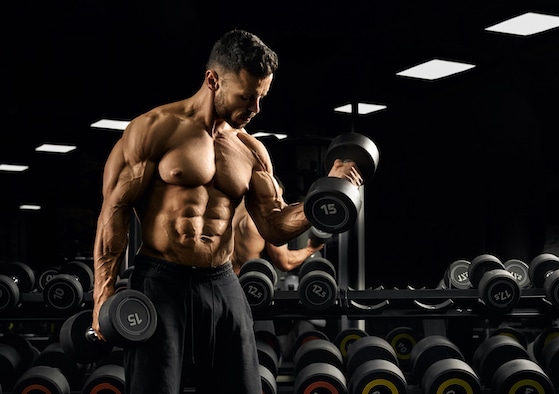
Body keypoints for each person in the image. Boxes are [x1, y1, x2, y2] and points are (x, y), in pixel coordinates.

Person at [91, 29, 363, 394]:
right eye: (247, 97)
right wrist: (103, 295)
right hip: (161, 281)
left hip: (222, 280)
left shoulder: (251, 151)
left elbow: (274, 225)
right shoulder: (154, 130)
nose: (255, 109)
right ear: (213, 80)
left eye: (261, 98)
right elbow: (114, 213)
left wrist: (325, 193)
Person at [231, 178, 324, 275]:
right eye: (276, 198)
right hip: (246, 283)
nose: (280, 203)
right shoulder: (263, 220)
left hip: (221, 280)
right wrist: (311, 249)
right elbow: (286, 262)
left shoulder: (228, 210)